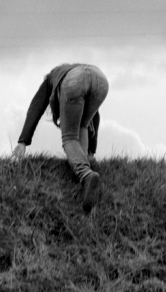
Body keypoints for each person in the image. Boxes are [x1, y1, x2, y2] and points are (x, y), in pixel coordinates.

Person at [12, 63, 109, 213]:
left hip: (74, 81)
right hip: (101, 80)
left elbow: (35, 108)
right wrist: (91, 152)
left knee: (69, 136)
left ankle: (85, 174)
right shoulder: (72, 70)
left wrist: (23, 141)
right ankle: (85, 167)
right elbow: (94, 116)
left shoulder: (51, 79)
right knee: (83, 124)